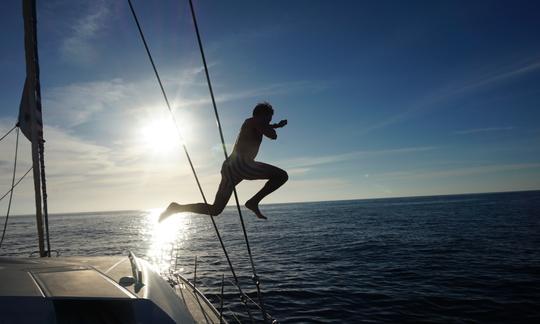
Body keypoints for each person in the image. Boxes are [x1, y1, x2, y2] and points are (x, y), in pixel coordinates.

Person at [160, 102, 288, 221]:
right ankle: (253, 201)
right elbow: (272, 135)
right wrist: (274, 128)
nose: (270, 121)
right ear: (261, 115)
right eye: (269, 118)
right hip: (242, 164)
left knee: (216, 209)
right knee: (282, 176)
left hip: (230, 167)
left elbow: (264, 127)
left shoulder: (251, 123)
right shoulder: (255, 121)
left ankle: (176, 208)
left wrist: (276, 125)